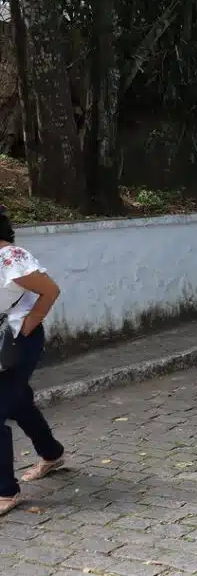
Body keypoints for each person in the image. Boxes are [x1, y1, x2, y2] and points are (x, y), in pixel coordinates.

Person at [0, 206, 66, 516]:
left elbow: (50, 290)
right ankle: (51, 453)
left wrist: (28, 323)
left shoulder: (11, 256)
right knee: (18, 402)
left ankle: (5, 491)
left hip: (18, 341)